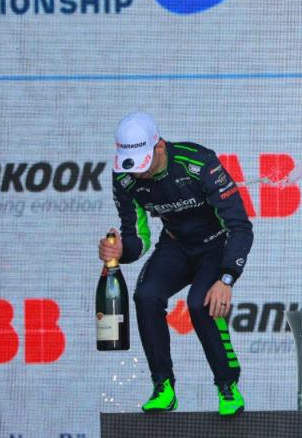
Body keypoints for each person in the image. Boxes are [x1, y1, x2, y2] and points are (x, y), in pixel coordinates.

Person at [97, 112, 253, 416]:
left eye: (143, 164)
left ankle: (227, 385)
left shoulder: (198, 163)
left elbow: (240, 227)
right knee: (146, 296)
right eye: (133, 167)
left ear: (159, 147)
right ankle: (162, 386)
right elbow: (137, 238)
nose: (138, 174)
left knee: (200, 303)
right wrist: (117, 250)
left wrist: (227, 278)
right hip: (175, 245)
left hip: (215, 245)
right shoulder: (124, 177)